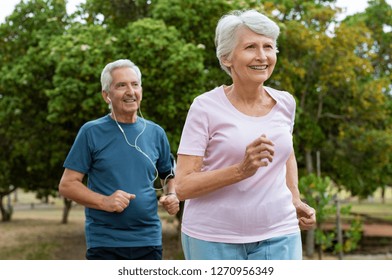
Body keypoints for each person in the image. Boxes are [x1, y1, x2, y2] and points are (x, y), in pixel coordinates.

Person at [175, 10, 316, 260]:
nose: (262, 56)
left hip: (280, 232)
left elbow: (286, 154)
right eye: (251, 47)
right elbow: (183, 186)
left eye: (268, 47)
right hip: (212, 238)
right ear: (227, 57)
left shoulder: (286, 103)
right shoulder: (204, 107)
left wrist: (295, 198)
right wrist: (241, 170)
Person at [59, 59, 180, 260]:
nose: (130, 91)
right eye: (121, 85)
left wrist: (172, 195)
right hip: (106, 242)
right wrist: (105, 201)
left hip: (149, 239)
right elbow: (67, 185)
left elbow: (168, 173)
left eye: (135, 84)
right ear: (106, 95)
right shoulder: (91, 132)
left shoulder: (156, 132)